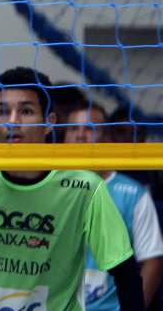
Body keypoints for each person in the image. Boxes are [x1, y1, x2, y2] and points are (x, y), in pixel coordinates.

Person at [0, 67, 143, 311]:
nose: (12, 121)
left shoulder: (85, 188)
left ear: (48, 123)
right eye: (2, 111)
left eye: (26, 111)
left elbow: (126, 273)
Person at [64, 103, 163, 309]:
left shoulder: (133, 194)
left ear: (107, 138)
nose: (80, 135)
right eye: (73, 128)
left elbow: (153, 260)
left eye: (90, 128)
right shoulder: (50, 187)